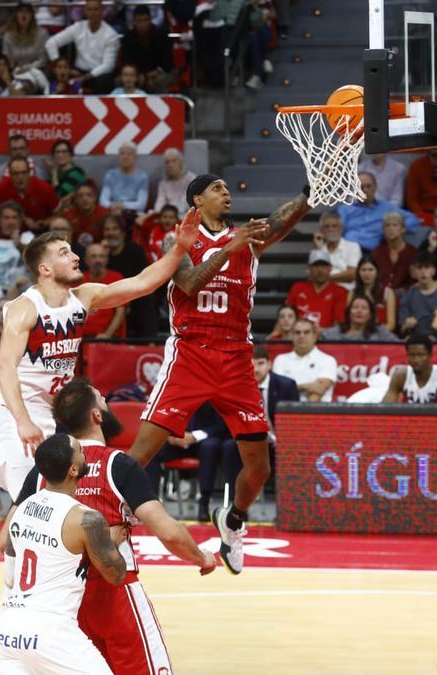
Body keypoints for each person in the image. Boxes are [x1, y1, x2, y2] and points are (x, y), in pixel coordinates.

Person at [121, 175, 308, 574]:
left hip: (237, 357)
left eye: (227, 188)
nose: (227, 193)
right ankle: (110, 524)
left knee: (259, 468)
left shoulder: (247, 239)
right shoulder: (178, 240)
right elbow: (188, 283)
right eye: (218, 188)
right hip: (190, 353)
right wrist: (228, 248)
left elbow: (281, 221)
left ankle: (233, 521)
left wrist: (309, 194)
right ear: (197, 199)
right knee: (141, 453)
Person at [7, 380, 215, 673]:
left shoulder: (43, 472)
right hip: (116, 591)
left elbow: (7, 540)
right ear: (97, 415)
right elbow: (168, 532)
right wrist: (201, 557)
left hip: (66, 602)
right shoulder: (118, 464)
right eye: (101, 398)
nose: (106, 400)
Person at [0, 215, 199, 495]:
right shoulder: (25, 308)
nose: (76, 257)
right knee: (31, 501)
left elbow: (142, 283)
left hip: (51, 417)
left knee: (55, 503)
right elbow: (5, 368)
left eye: (72, 251)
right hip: (12, 417)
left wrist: (179, 249)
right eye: (64, 253)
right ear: (45, 268)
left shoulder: (82, 297)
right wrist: (23, 422)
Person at [0, 434, 125, 674]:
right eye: (79, 449)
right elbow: (116, 575)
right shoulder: (87, 519)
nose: (83, 452)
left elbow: (10, 576)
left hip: (6, 630)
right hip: (50, 632)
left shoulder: (23, 507)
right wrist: (112, 542)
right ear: (73, 469)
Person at [44, 0, 120, 94]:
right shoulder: (78, 27)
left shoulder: (111, 35)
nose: (92, 13)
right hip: (77, 71)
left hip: (98, 74)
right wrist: (61, 67)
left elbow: (108, 66)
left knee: (105, 81)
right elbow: (51, 43)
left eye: (96, 9)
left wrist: (85, 77)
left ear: (102, 11)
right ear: (85, 12)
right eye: (89, 9)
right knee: (60, 75)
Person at [101, 216, 156, 337]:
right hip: (113, 302)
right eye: (107, 229)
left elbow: (145, 280)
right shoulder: (102, 254)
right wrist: (103, 253)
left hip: (136, 299)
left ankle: (149, 340)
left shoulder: (135, 251)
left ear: (122, 232)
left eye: (114, 229)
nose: (110, 233)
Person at [339, 172, 423, 251]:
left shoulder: (386, 208)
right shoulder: (345, 209)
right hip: (348, 251)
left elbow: (413, 219)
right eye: (361, 187)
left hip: (372, 252)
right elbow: (337, 229)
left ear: (375, 188)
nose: (365, 190)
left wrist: (393, 229)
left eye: (369, 186)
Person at [272, 318, 339, 401]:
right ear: (292, 336)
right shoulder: (280, 359)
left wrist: (291, 388)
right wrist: (308, 386)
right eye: (297, 332)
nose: (301, 336)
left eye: (306, 332)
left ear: (315, 336)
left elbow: (319, 389)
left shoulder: (328, 360)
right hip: (284, 408)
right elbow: (278, 389)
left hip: (316, 408)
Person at [382, 334, 437, 404]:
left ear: (430, 355)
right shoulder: (400, 376)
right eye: (412, 355)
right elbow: (385, 408)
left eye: (421, 355)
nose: (416, 360)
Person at [286, 249, 348, 329]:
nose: (320, 270)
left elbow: (339, 326)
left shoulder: (339, 291)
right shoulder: (298, 288)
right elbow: (285, 316)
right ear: (309, 268)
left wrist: (319, 331)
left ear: (330, 268)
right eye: (316, 265)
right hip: (299, 334)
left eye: (324, 265)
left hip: (327, 336)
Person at [79, 243, 125, 339]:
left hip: (110, 338)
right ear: (86, 260)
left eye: (101, 256)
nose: (98, 260)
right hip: (82, 338)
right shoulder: (79, 280)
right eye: (93, 256)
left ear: (106, 259)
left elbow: (120, 312)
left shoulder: (116, 278)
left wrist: (107, 335)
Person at [398, 251, 437, 337]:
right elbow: (402, 330)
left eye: (427, 267)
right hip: (416, 340)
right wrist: (407, 325)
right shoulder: (408, 295)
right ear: (414, 272)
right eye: (419, 268)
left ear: (433, 270)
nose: (423, 271)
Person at [0, 157, 58, 224]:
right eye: (15, 173)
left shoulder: (44, 188)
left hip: (40, 229)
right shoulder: (1, 189)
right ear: (10, 175)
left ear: (29, 173)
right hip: (11, 228)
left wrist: (41, 224)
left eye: (23, 172)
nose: (20, 177)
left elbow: (58, 215)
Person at [312, 212, 361, 291]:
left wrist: (323, 278)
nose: (331, 229)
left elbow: (351, 275)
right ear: (321, 231)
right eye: (326, 227)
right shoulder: (319, 249)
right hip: (324, 293)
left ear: (341, 229)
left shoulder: (352, 246)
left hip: (347, 292)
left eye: (334, 226)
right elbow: (312, 277)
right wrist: (319, 249)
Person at [321, 295, 397, 342]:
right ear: (349, 313)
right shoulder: (335, 332)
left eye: (364, 308)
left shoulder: (380, 332)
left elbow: (399, 346)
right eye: (355, 307)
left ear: (370, 315)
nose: (359, 311)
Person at [371, 212, 416, 291]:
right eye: (387, 225)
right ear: (383, 230)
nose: (391, 228)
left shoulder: (413, 252)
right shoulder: (376, 252)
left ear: (403, 229)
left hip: (405, 294)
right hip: (379, 294)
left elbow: (416, 281)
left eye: (394, 225)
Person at [100, 144, 150, 215]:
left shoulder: (142, 177)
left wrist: (123, 205)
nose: (125, 157)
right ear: (118, 157)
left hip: (133, 213)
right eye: (122, 154)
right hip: (112, 212)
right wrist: (112, 206)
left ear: (135, 158)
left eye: (129, 154)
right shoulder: (110, 175)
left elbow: (141, 205)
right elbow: (102, 201)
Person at [353, 257, 398, 333]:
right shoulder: (352, 293)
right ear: (358, 272)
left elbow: (391, 324)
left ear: (377, 271)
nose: (367, 273)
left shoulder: (388, 293)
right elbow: (349, 322)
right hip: (358, 335)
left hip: (381, 335)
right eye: (363, 270)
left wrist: (373, 335)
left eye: (370, 270)